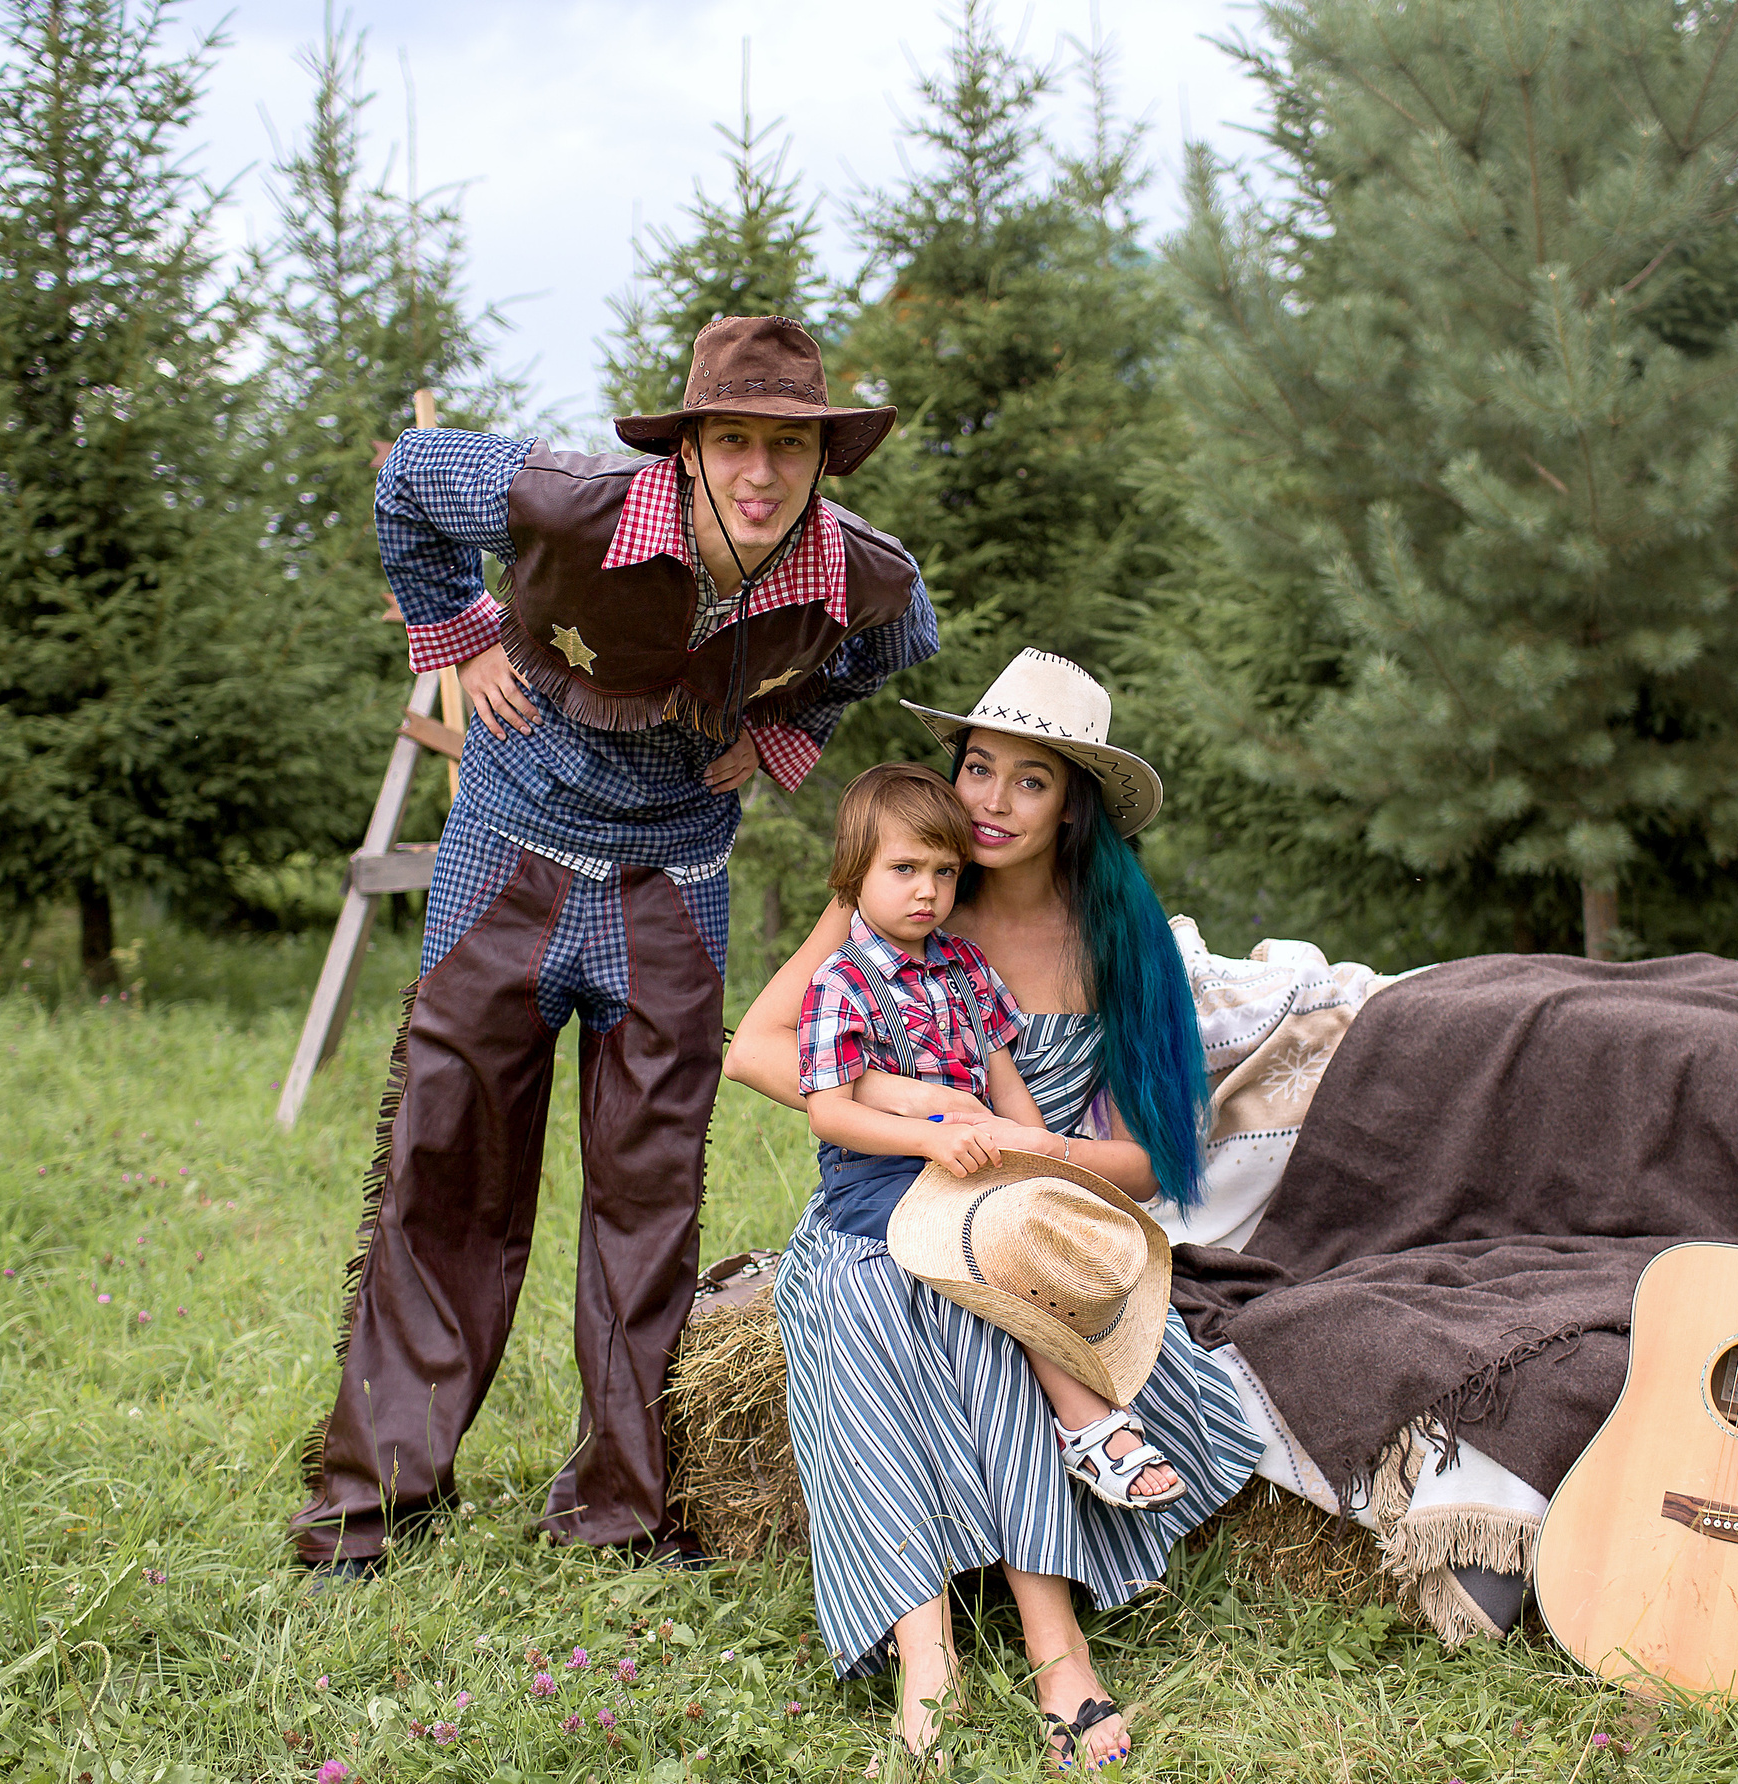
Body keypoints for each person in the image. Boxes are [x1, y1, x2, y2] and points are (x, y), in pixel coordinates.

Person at [290, 316, 937, 1580]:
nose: (760, 472)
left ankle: (621, 1504)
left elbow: (893, 643)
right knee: (448, 1164)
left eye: (789, 447)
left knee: (649, 1190)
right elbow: (409, 478)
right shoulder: (569, 499)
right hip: (508, 855)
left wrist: (788, 728)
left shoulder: (864, 572)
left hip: (675, 882)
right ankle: (377, 1498)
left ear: (825, 459)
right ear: (687, 447)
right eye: (734, 440)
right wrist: (460, 633)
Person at [724, 650, 1258, 1769]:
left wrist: (1029, 1149)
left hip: (1028, 1216)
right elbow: (758, 1049)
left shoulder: (1118, 942)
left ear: (1074, 805)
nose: (992, 801)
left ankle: (1057, 1649)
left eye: (1031, 779)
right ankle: (932, 1654)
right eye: (978, 766)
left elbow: (1151, 1164)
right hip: (886, 1202)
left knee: (992, 1300)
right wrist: (918, 1104)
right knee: (877, 1299)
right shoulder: (902, 890)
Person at [793, 761, 1189, 1508]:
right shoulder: (838, 981)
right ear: (854, 874)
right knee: (998, 1254)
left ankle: (1089, 1418)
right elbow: (828, 1112)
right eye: (905, 870)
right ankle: (1086, 1424)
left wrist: (1035, 1165)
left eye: (944, 873)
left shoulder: (966, 964)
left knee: (1032, 1231)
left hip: (972, 1162)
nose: (927, 891)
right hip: (881, 1175)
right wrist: (927, 1131)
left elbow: (1004, 1083)